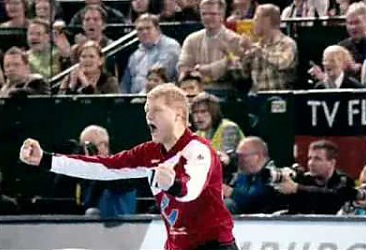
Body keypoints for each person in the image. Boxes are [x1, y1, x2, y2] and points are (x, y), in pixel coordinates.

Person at [19, 83, 238, 250]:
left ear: (179, 115)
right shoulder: (148, 152)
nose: (148, 116)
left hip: (213, 245)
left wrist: (173, 184)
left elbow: (192, 189)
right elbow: (103, 167)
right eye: (146, 111)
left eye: (156, 110)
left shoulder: (198, 149)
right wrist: (46, 159)